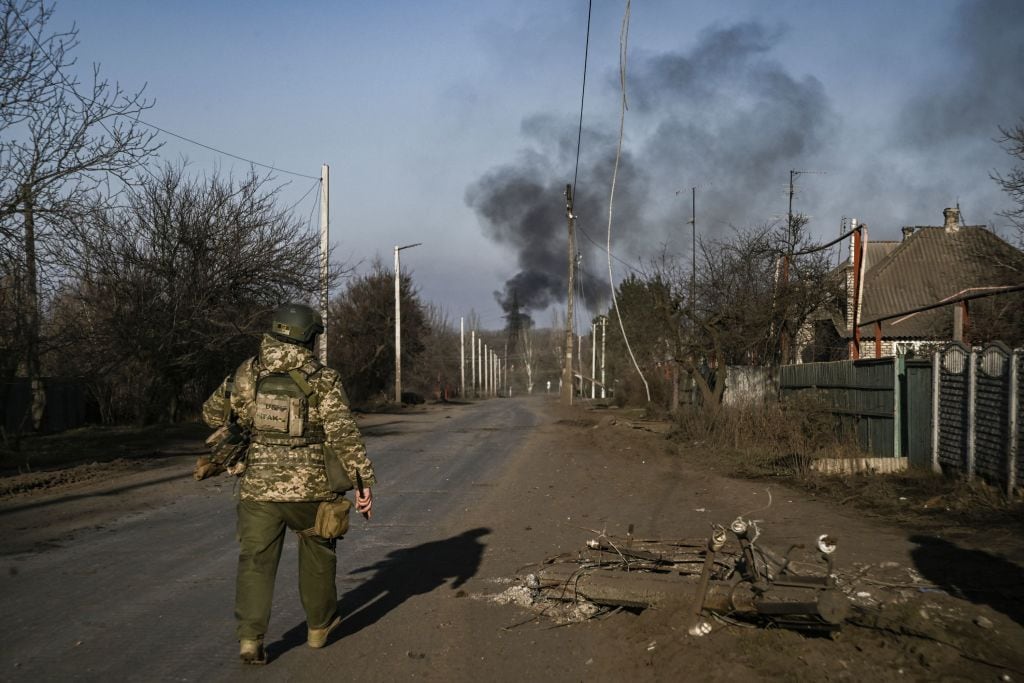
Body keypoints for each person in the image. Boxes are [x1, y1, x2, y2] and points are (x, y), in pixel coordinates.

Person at [202, 303, 375, 664]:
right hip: (311, 489)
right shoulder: (322, 378)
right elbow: (344, 434)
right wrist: (362, 484)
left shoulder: (247, 372)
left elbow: (211, 414)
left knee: (255, 562)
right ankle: (318, 627)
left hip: (257, 487)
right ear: (308, 337)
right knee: (318, 552)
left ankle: (250, 639)